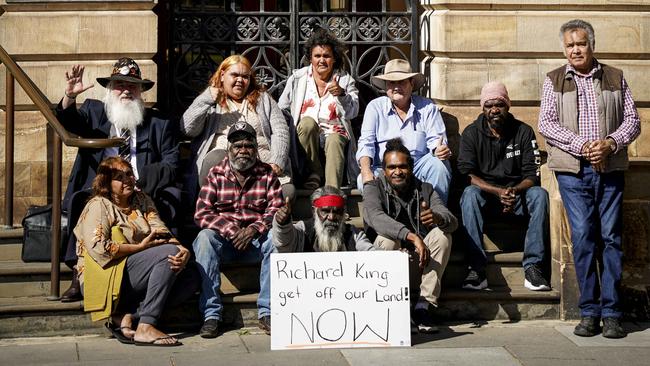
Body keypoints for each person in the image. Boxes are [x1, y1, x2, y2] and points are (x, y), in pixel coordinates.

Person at [538, 19, 640, 339]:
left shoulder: (615, 76)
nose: (575, 50)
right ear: (564, 49)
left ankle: (611, 313)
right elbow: (547, 124)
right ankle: (589, 311)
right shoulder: (554, 80)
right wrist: (583, 146)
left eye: (580, 44)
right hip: (572, 170)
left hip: (609, 169)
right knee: (583, 237)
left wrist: (609, 144)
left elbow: (632, 120)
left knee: (610, 238)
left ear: (591, 45)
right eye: (569, 45)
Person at [57, 58, 180, 303]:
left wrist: (140, 181)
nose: (125, 89)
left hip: (141, 190)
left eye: (132, 85)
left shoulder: (159, 124)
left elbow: (171, 164)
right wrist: (69, 97)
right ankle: (78, 274)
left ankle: (164, 268)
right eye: (119, 84)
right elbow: (69, 122)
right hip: (101, 191)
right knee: (85, 201)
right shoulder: (94, 112)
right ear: (110, 89)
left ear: (141, 91)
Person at [74, 157, 197, 346]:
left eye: (129, 174)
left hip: (134, 273)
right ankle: (146, 325)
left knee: (190, 274)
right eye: (119, 177)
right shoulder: (99, 205)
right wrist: (139, 248)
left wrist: (182, 250)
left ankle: (127, 316)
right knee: (167, 254)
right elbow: (98, 248)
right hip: (103, 275)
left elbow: (160, 230)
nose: (127, 180)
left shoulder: (141, 199)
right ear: (106, 182)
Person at [192, 122, 283, 338]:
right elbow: (202, 213)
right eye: (238, 145)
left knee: (276, 239)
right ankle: (211, 314)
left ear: (256, 149)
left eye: (248, 145)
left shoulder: (267, 174)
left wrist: (253, 229)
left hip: (255, 241)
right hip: (225, 242)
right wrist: (232, 230)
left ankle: (267, 311)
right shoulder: (216, 174)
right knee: (204, 238)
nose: (243, 150)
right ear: (229, 149)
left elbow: (276, 209)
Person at [457, 81, 550, 292]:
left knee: (540, 195)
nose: (494, 110)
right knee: (469, 194)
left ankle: (533, 267)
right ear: (483, 108)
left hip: (517, 197)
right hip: (487, 198)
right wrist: (497, 192)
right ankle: (476, 269)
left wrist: (513, 191)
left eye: (499, 104)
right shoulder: (471, 133)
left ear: (507, 106)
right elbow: (466, 174)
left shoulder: (523, 132)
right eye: (489, 105)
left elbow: (532, 174)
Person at [362, 138, 457, 333]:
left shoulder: (425, 189)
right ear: (384, 170)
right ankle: (395, 305)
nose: (398, 172)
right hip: (387, 264)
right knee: (386, 241)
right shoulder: (373, 188)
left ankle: (423, 306)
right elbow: (375, 217)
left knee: (442, 235)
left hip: (419, 262)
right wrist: (412, 237)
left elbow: (451, 220)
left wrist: (438, 217)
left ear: (411, 167)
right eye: (392, 167)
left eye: (403, 166)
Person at [181, 54, 293, 201]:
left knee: (287, 193)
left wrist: (277, 161)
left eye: (245, 76)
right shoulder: (211, 100)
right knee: (215, 159)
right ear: (222, 75)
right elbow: (187, 129)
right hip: (225, 169)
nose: (240, 80)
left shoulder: (263, 99)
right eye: (234, 75)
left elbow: (281, 131)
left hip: (260, 164)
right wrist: (205, 99)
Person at [356, 59, 452, 203]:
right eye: (391, 83)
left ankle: (434, 216)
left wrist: (440, 150)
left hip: (417, 167)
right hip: (386, 169)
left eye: (401, 82)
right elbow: (366, 143)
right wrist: (365, 171)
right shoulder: (375, 107)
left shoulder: (427, 107)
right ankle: (385, 222)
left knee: (439, 165)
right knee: (362, 180)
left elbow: (436, 140)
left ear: (411, 84)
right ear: (386, 86)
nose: (396, 87)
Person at [278, 27, 359, 189]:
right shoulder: (298, 79)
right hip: (306, 135)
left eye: (326, 56)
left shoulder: (344, 80)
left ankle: (331, 194)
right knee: (307, 122)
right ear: (310, 58)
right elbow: (282, 109)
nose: (322, 60)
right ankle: (314, 174)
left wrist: (342, 95)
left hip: (335, 131)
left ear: (334, 58)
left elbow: (353, 112)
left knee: (335, 138)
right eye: (317, 56)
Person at [273, 186, 375, 253]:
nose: (331, 217)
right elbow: (284, 243)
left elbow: (371, 254)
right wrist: (283, 224)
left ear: (344, 213)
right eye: (325, 211)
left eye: (337, 212)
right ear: (314, 211)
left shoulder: (354, 234)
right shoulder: (303, 230)